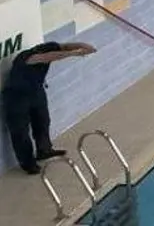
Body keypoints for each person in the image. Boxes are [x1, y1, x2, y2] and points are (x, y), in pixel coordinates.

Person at [2, 41, 96, 174]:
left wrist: (84, 46)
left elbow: (64, 47)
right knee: (20, 132)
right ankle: (28, 164)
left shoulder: (48, 50)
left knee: (43, 121)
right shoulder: (28, 57)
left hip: (35, 91)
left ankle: (44, 150)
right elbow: (49, 56)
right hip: (16, 97)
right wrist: (74, 53)